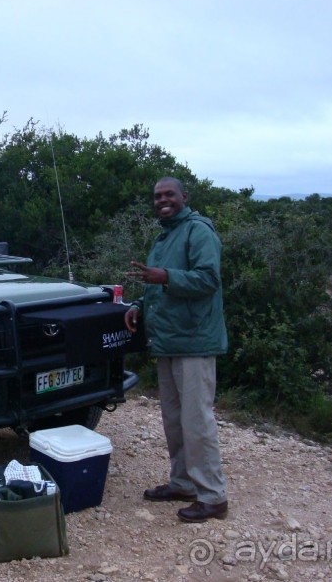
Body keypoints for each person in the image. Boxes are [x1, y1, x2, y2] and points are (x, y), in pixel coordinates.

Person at [124, 176, 229, 523]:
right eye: (157, 196)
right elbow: (157, 283)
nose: (162, 200)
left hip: (194, 341)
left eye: (169, 194)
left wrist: (166, 277)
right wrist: (139, 304)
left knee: (197, 420)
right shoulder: (164, 235)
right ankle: (183, 482)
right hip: (167, 341)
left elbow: (209, 279)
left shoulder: (198, 231)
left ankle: (213, 496)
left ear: (185, 196)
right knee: (174, 420)